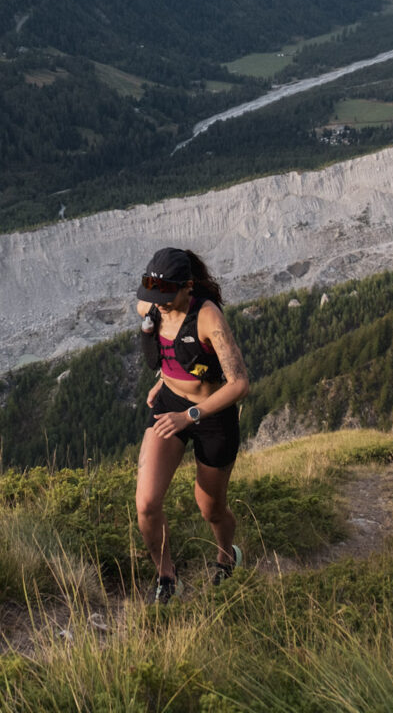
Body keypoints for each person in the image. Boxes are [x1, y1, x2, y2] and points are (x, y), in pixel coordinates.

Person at [133, 246, 250, 603]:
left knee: (210, 508)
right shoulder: (150, 305)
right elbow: (168, 351)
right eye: (155, 297)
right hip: (169, 406)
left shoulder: (207, 316)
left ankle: (228, 555)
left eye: (168, 297)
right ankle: (167, 577)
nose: (160, 304)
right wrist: (165, 378)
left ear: (188, 287)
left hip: (212, 416)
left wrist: (190, 415)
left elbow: (240, 383)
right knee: (147, 503)